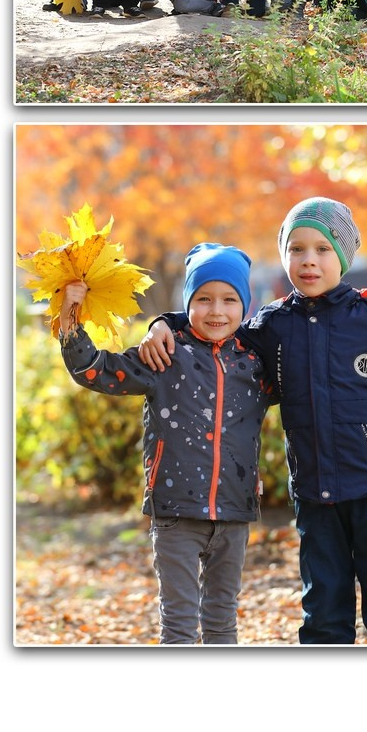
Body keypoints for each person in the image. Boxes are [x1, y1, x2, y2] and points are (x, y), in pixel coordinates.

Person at [137, 199, 367, 644]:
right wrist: (163, 323)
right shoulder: (272, 325)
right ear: (284, 256)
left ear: (342, 256)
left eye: (322, 249)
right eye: (297, 249)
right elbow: (214, 325)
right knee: (323, 611)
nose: (308, 260)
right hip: (315, 493)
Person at [52, 245, 271, 644]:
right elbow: (93, 371)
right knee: (179, 625)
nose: (217, 311)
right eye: (203, 299)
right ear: (188, 303)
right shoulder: (165, 355)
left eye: (229, 299)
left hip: (235, 512)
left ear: (246, 305)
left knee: (223, 621)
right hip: (176, 513)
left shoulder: (255, 363)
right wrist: (70, 316)